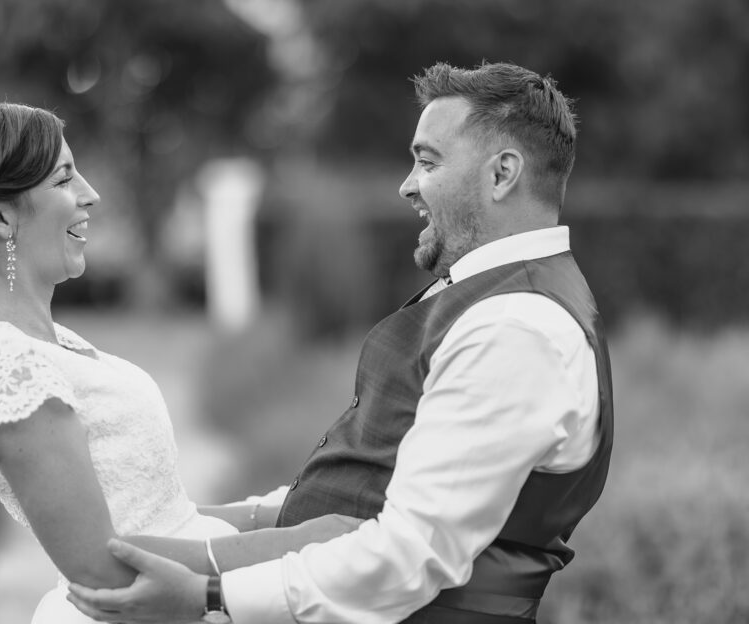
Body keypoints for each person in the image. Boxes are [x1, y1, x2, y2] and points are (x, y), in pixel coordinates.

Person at [66, 60, 614, 624]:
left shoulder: (516, 330)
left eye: (427, 161)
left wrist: (210, 596)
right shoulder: (486, 301)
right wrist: (224, 519)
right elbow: (365, 490)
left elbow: (409, 555)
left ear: (502, 174)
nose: (407, 185)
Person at [0, 102, 358, 624]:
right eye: (65, 179)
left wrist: (269, 514)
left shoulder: (41, 341)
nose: (91, 194)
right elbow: (98, 563)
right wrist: (292, 546)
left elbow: (153, 515)